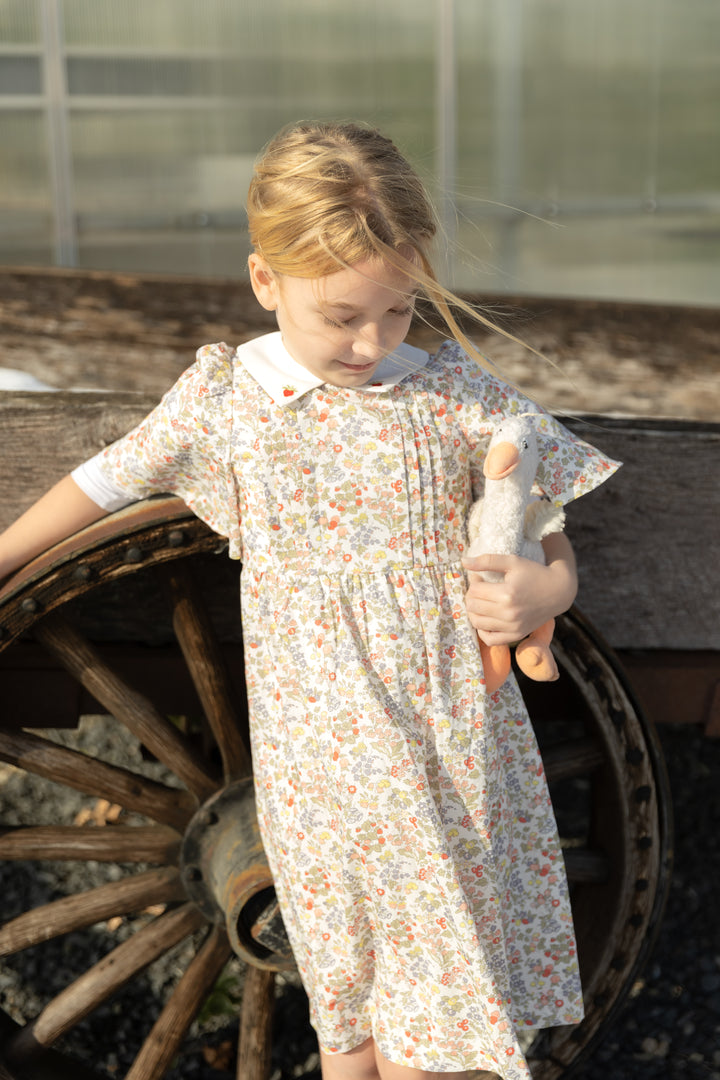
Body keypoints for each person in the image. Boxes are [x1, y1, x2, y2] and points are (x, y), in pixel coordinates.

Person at [0, 121, 620, 1080]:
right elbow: (112, 478)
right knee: (348, 1002)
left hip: (441, 755)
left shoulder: (452, 392)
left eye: (399, 312)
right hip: (314, 773)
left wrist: (546, 585)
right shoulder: (229, 400)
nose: (371, 342)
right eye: (341, 316)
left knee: (431, 1027)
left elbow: (535, 516)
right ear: (265, 283)